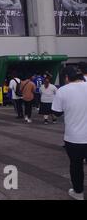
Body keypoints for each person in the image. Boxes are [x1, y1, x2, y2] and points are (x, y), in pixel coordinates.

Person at [52, 66, 87, 200]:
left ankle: (78, 193)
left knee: (76, 165)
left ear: (66, 77)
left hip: (74, 138)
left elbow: (56, 112)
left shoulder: (63, 90)